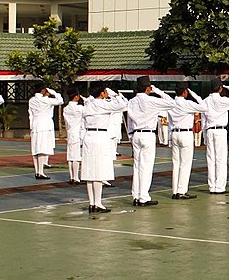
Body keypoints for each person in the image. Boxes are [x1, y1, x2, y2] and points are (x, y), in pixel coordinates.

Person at [126, 77, 179, 206]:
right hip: (147, 134)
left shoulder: (131, 101)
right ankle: (144, 196)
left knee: (137, 166)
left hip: (136, 134)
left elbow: (129, 120)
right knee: (146, 167)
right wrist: (159, 92)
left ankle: (136, 195)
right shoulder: (151, 100)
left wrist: (130, 135)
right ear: (148, 88)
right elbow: (172, 103)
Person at [81, 84, 129, 212]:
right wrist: (115, 95)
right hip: (100, 136)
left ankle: (92, 203)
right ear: (102, 93)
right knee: (98, 171)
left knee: (89, 171)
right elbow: (124, 105)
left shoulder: (88, 105)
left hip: (88, 136)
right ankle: (98, 203)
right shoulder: (102, 104)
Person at [202, 80, 229, 194]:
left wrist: (204, 135)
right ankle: (220, 187)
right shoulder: (223, 100)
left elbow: (203, 120)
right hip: (220, 131)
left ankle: (212, 186)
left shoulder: (205, 101)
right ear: (220, 88)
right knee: (220, 159)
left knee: (211, 160)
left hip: (210, 130)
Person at [168, 84, 208, 199]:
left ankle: (175, 190)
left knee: (176, 163)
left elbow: (170, 121)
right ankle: (182, 191)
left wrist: (170, 137)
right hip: (185, 134)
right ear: (185, 92)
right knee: (185, 163)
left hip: (175, 133)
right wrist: (194, 94)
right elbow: (204, 107)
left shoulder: (171, 103)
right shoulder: (188, 103)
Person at [28, 84, 64, 179]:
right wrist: (53, 92)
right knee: (42, 149)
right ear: (43, 90)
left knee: (36, 149)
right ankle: (40, 172)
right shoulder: (45, 100)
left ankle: (37, 171)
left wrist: (31, 125)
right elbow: (61, 101)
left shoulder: (31, 100)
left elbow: (30, 114)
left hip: (35, 125)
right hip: (44, 125)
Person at [63, 87, 85, 185]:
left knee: (70, 155)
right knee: (76, 156)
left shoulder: (66, 108)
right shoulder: (79, 108)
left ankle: (72, 176)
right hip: (77, 133)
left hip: (70, 132)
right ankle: (76, 177)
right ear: (76, 97)